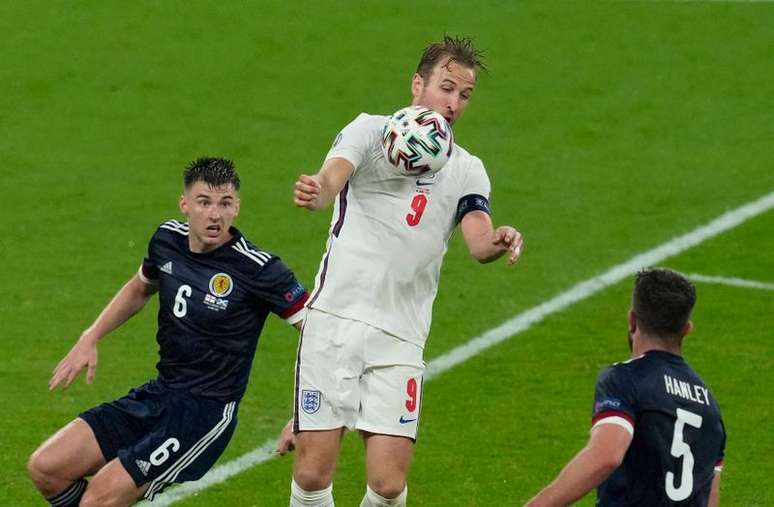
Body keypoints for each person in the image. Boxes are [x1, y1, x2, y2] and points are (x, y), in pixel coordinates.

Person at [281, 36, 524, 507]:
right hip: (334, 322)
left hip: (400, 337)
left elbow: (478, 240)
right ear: (418, 84)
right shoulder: (370, 131)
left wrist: (498, 240)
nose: (453, 103)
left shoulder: (467, 169)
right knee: (312, 475)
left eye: (464, 95)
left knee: (389, 486)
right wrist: (318, 190)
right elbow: (333, 176)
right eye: (446, 88)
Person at [27, 157, 309, 506]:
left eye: (225, 203)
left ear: (237, 207)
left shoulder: (260, 270)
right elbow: (140, 286)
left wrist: (305, 412)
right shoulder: (167, 240)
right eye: (204, 202)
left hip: (204, 415)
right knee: (46, 468)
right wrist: (91, 336)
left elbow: (318, 333)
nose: (215, 215)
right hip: (159, 394)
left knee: (97, 500)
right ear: (185, 204)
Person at [525, 268, 726, 506]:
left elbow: (606, 456)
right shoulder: (710, 407)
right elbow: (710, 499)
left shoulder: (626, 378)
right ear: (686, 330)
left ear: (632, 320)